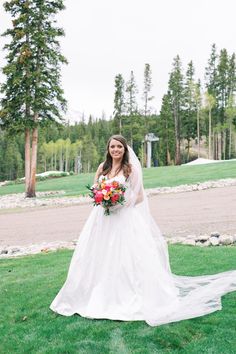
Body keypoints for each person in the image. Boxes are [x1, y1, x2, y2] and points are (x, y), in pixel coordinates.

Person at [50, 135, 236, 326]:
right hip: (101, 220)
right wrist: (102, 199)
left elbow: (139, 196)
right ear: (108, 149)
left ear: (124, 149)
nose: (116, 150)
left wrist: (118, 202)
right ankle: (93, 294)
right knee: (96, 255)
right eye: (112, 146)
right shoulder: (102, 168)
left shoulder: (130, 169)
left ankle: (124, 296)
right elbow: (95, 189)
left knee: (126, 257)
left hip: (123, 217)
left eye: (119, 147)